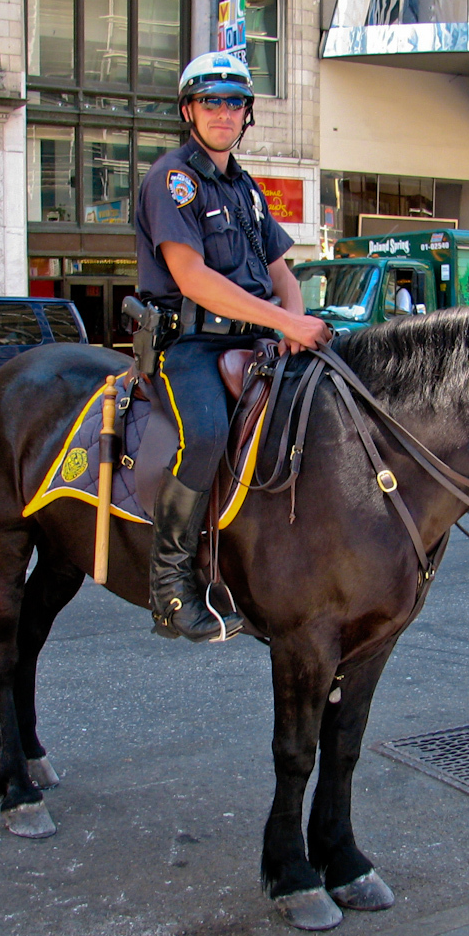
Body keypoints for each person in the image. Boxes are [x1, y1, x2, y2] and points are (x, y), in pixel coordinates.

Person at [134, 51, 331, 643]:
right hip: (187, 346)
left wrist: (293, 327)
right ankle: (170, 586)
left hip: (255, 343)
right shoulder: (173, 180)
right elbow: (192, 277)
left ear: (246, 114)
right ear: (190, 110)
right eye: (211, 101)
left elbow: (284, 274)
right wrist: (283, 323)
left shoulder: (245, 190)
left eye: (234, 102)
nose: (223, 112)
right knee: (208, 434)